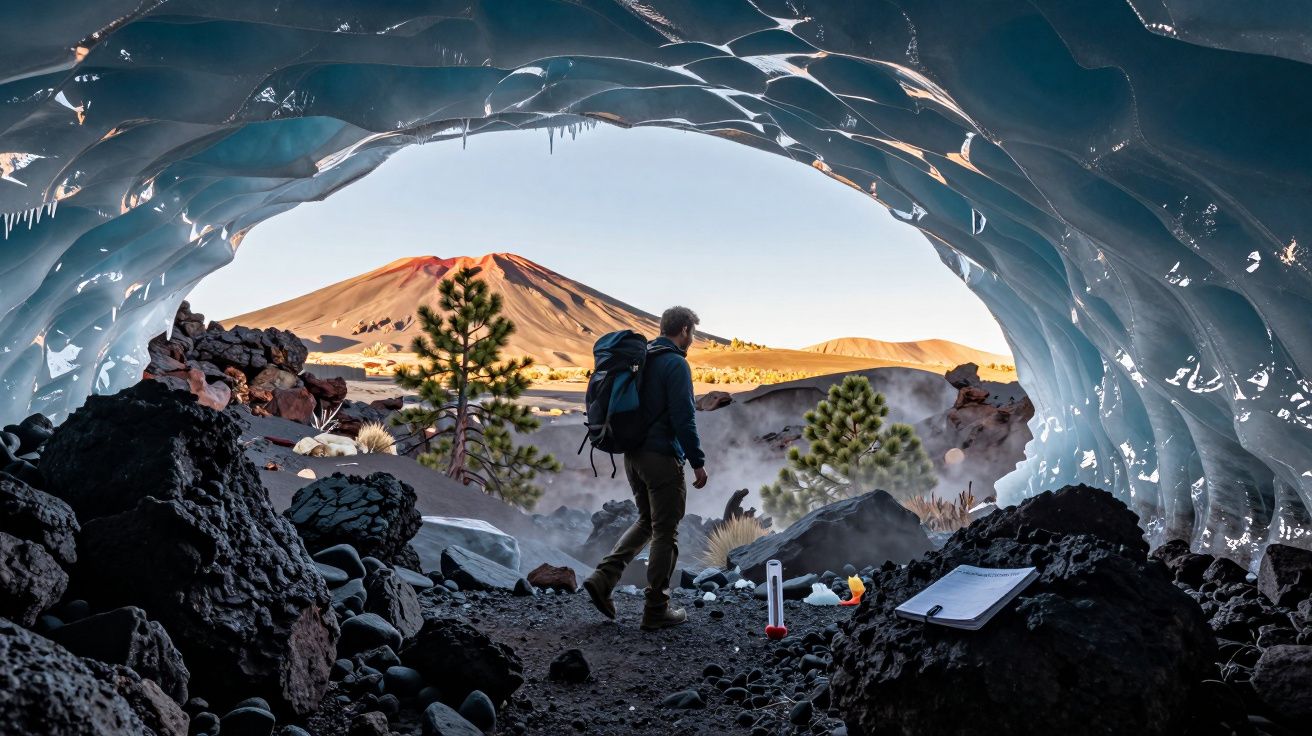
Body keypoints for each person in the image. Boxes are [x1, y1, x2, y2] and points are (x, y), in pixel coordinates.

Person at [582, 306, 709, 630]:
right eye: (691, 333)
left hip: (632, 456)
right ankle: (656, 609)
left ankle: (602, 579)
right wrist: (697, 462)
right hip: (660, 458)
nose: (691, 339)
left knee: (646, 522)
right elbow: (684, 417)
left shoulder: (642, 358)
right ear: (683, 330)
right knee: (666, 531)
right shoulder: (675, 363)